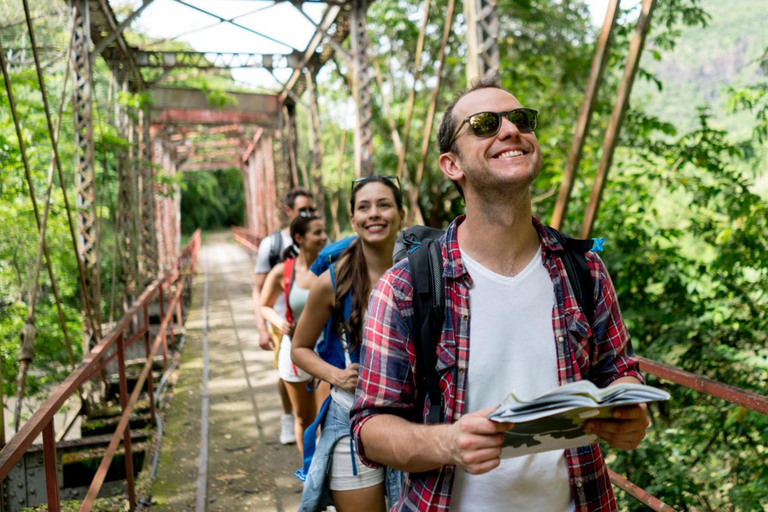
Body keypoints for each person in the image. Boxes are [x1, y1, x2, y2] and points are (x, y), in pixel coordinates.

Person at [350, 77, 651, 511]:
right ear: (452, 164)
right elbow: (370, 427)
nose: (510, 130)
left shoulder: (584, 269)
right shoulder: (403, 288)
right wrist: (447, 443)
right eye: (485, 124)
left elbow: (620, 372)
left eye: (521, 120)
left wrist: (629, 413)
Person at [291, 176, 405, 512]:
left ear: (400, 213)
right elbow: (300, 348)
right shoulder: (332, 281)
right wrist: (336, 375)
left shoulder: (420, 271)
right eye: (364, 207)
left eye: (384, 205)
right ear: (353, 220)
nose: (374, 214)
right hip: (350, 417)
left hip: (411, 420)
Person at [260, 212, 328, 456]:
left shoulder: (332, 265)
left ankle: (329, 478)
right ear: (299, 238)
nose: (324, 237)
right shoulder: (283, 271)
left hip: (326, 351)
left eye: (324, 231)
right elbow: (264, 304)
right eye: (317, 233)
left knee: (329, 420)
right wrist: (280, 323)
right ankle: (309, 473)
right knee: (304, 420)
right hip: (295, 352)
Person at [253, 188, 314, 445]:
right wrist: (263, 328)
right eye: (302, 210)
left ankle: (307, 420)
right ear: (289, 212)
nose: (308, 214)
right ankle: (290, 417)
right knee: (285, 373)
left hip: (313, 318)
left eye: (311, 209)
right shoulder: (272, 244)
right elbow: (258, 289)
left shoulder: (319, 238)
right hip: (283, 321)